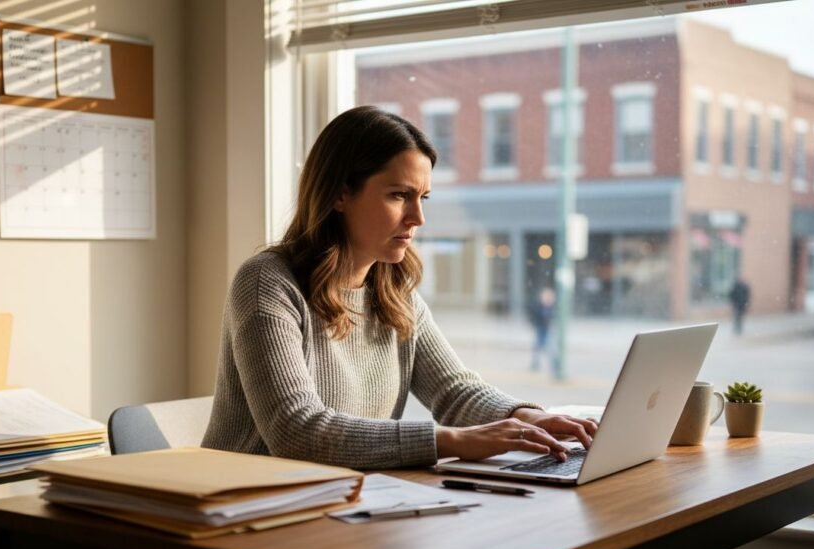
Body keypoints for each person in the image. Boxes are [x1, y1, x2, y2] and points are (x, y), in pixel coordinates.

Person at [202, 105, 597, 470]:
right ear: (340, 193)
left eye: (423, 197)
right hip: (245, 509)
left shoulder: (393, 290)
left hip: (346, 499)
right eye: (399, 195)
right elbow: (297, 431)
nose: (418, 217)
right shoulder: (267, 283)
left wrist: (526, 417)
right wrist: (453, 441)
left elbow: (453, 391)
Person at [528, 287, 555, 371]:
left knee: (548, 347)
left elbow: (551, 318)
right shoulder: (539, 307)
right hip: (540, 328)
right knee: (539, 347)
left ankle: (553, 364)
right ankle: (535, 363)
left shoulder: (550, 308)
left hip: (546, 329)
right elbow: (534, 316)